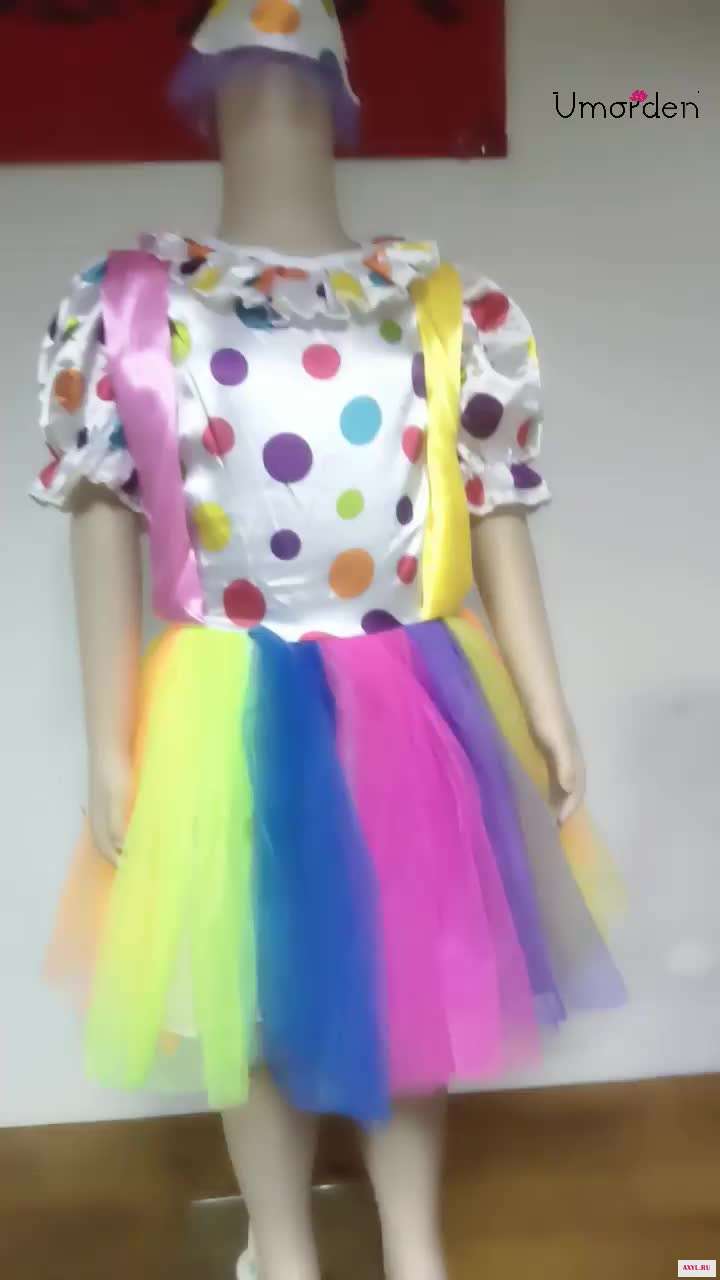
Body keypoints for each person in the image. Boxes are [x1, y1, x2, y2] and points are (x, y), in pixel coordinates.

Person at [33, 3, 626, 1278]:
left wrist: (546, 698)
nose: (276, 104)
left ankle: (414, 1241)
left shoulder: (441, 304)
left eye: (299, 79)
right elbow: (101, 516)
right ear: (205, 92)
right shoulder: (135, 305)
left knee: (415, 971)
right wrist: (109, 741)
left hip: (413, 684)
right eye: (249, 78)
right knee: (246, 992)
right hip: (224, 692)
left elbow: (492, 508)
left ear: (342, 90)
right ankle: (283, 1243)